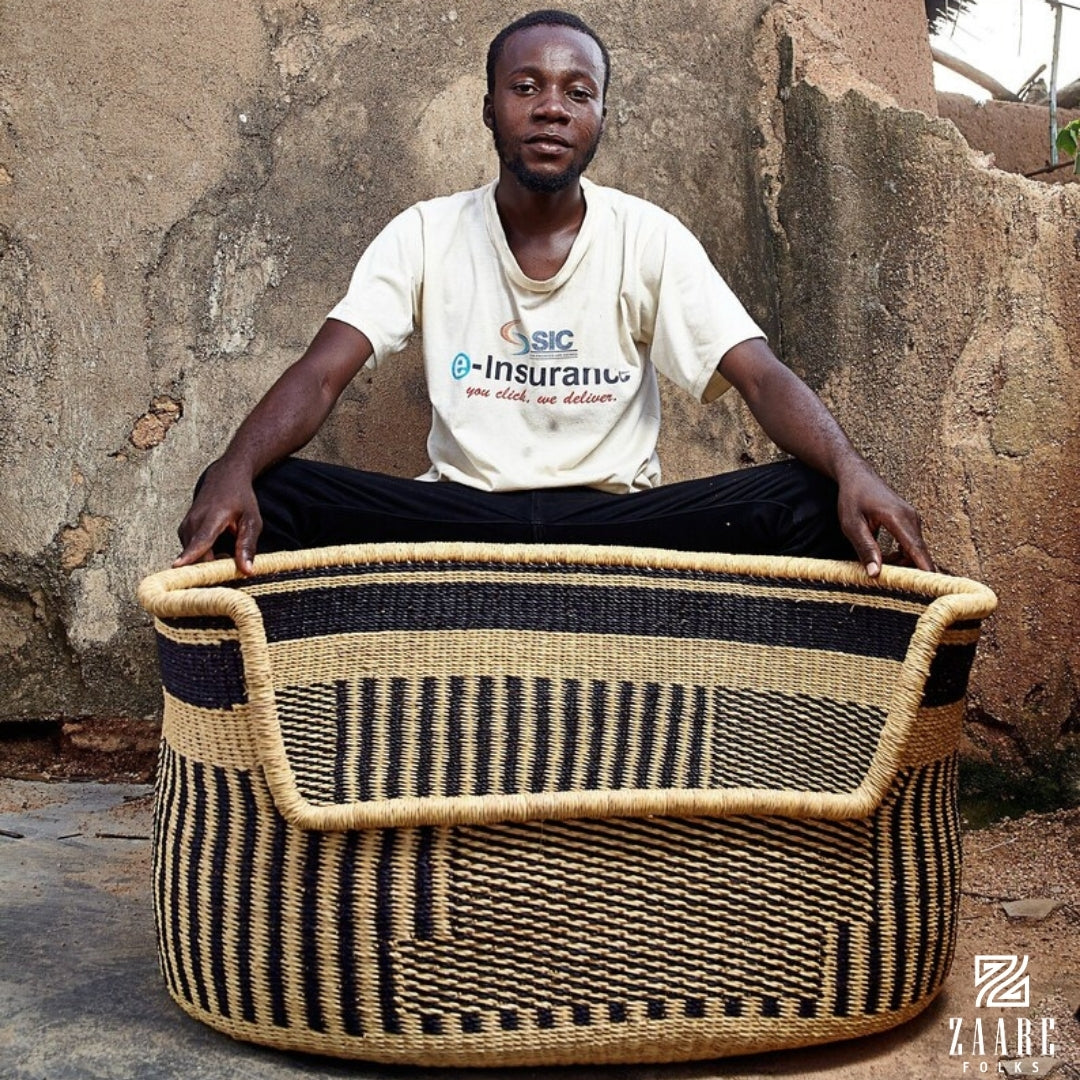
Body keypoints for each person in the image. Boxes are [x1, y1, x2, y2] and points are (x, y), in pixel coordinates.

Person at [175, 9, 933, 578]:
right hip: (461, 519)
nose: (551, 108)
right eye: (526, 86)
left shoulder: (648, 235)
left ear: (600, 117)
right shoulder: (427, 232)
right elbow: (322, 372)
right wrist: (236, 467)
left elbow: (760, 375)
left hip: (615, 525)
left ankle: (748, 729)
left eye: (578, 91)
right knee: (252, 493)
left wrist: (851, 466)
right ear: (489, 109)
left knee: (814, 500)